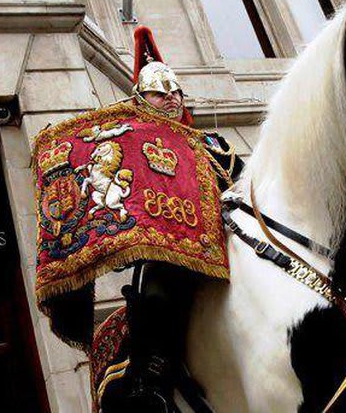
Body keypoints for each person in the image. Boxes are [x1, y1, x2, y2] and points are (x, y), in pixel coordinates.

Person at [99, 26, 244, 413]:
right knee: (161, 287)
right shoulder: (131, 149)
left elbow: (244, 183)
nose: (171, 98)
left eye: (175, 91)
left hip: (229, 241)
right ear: (140, 98)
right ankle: (155, 375)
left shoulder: (212, 144)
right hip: (172, 254)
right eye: (160, 93)